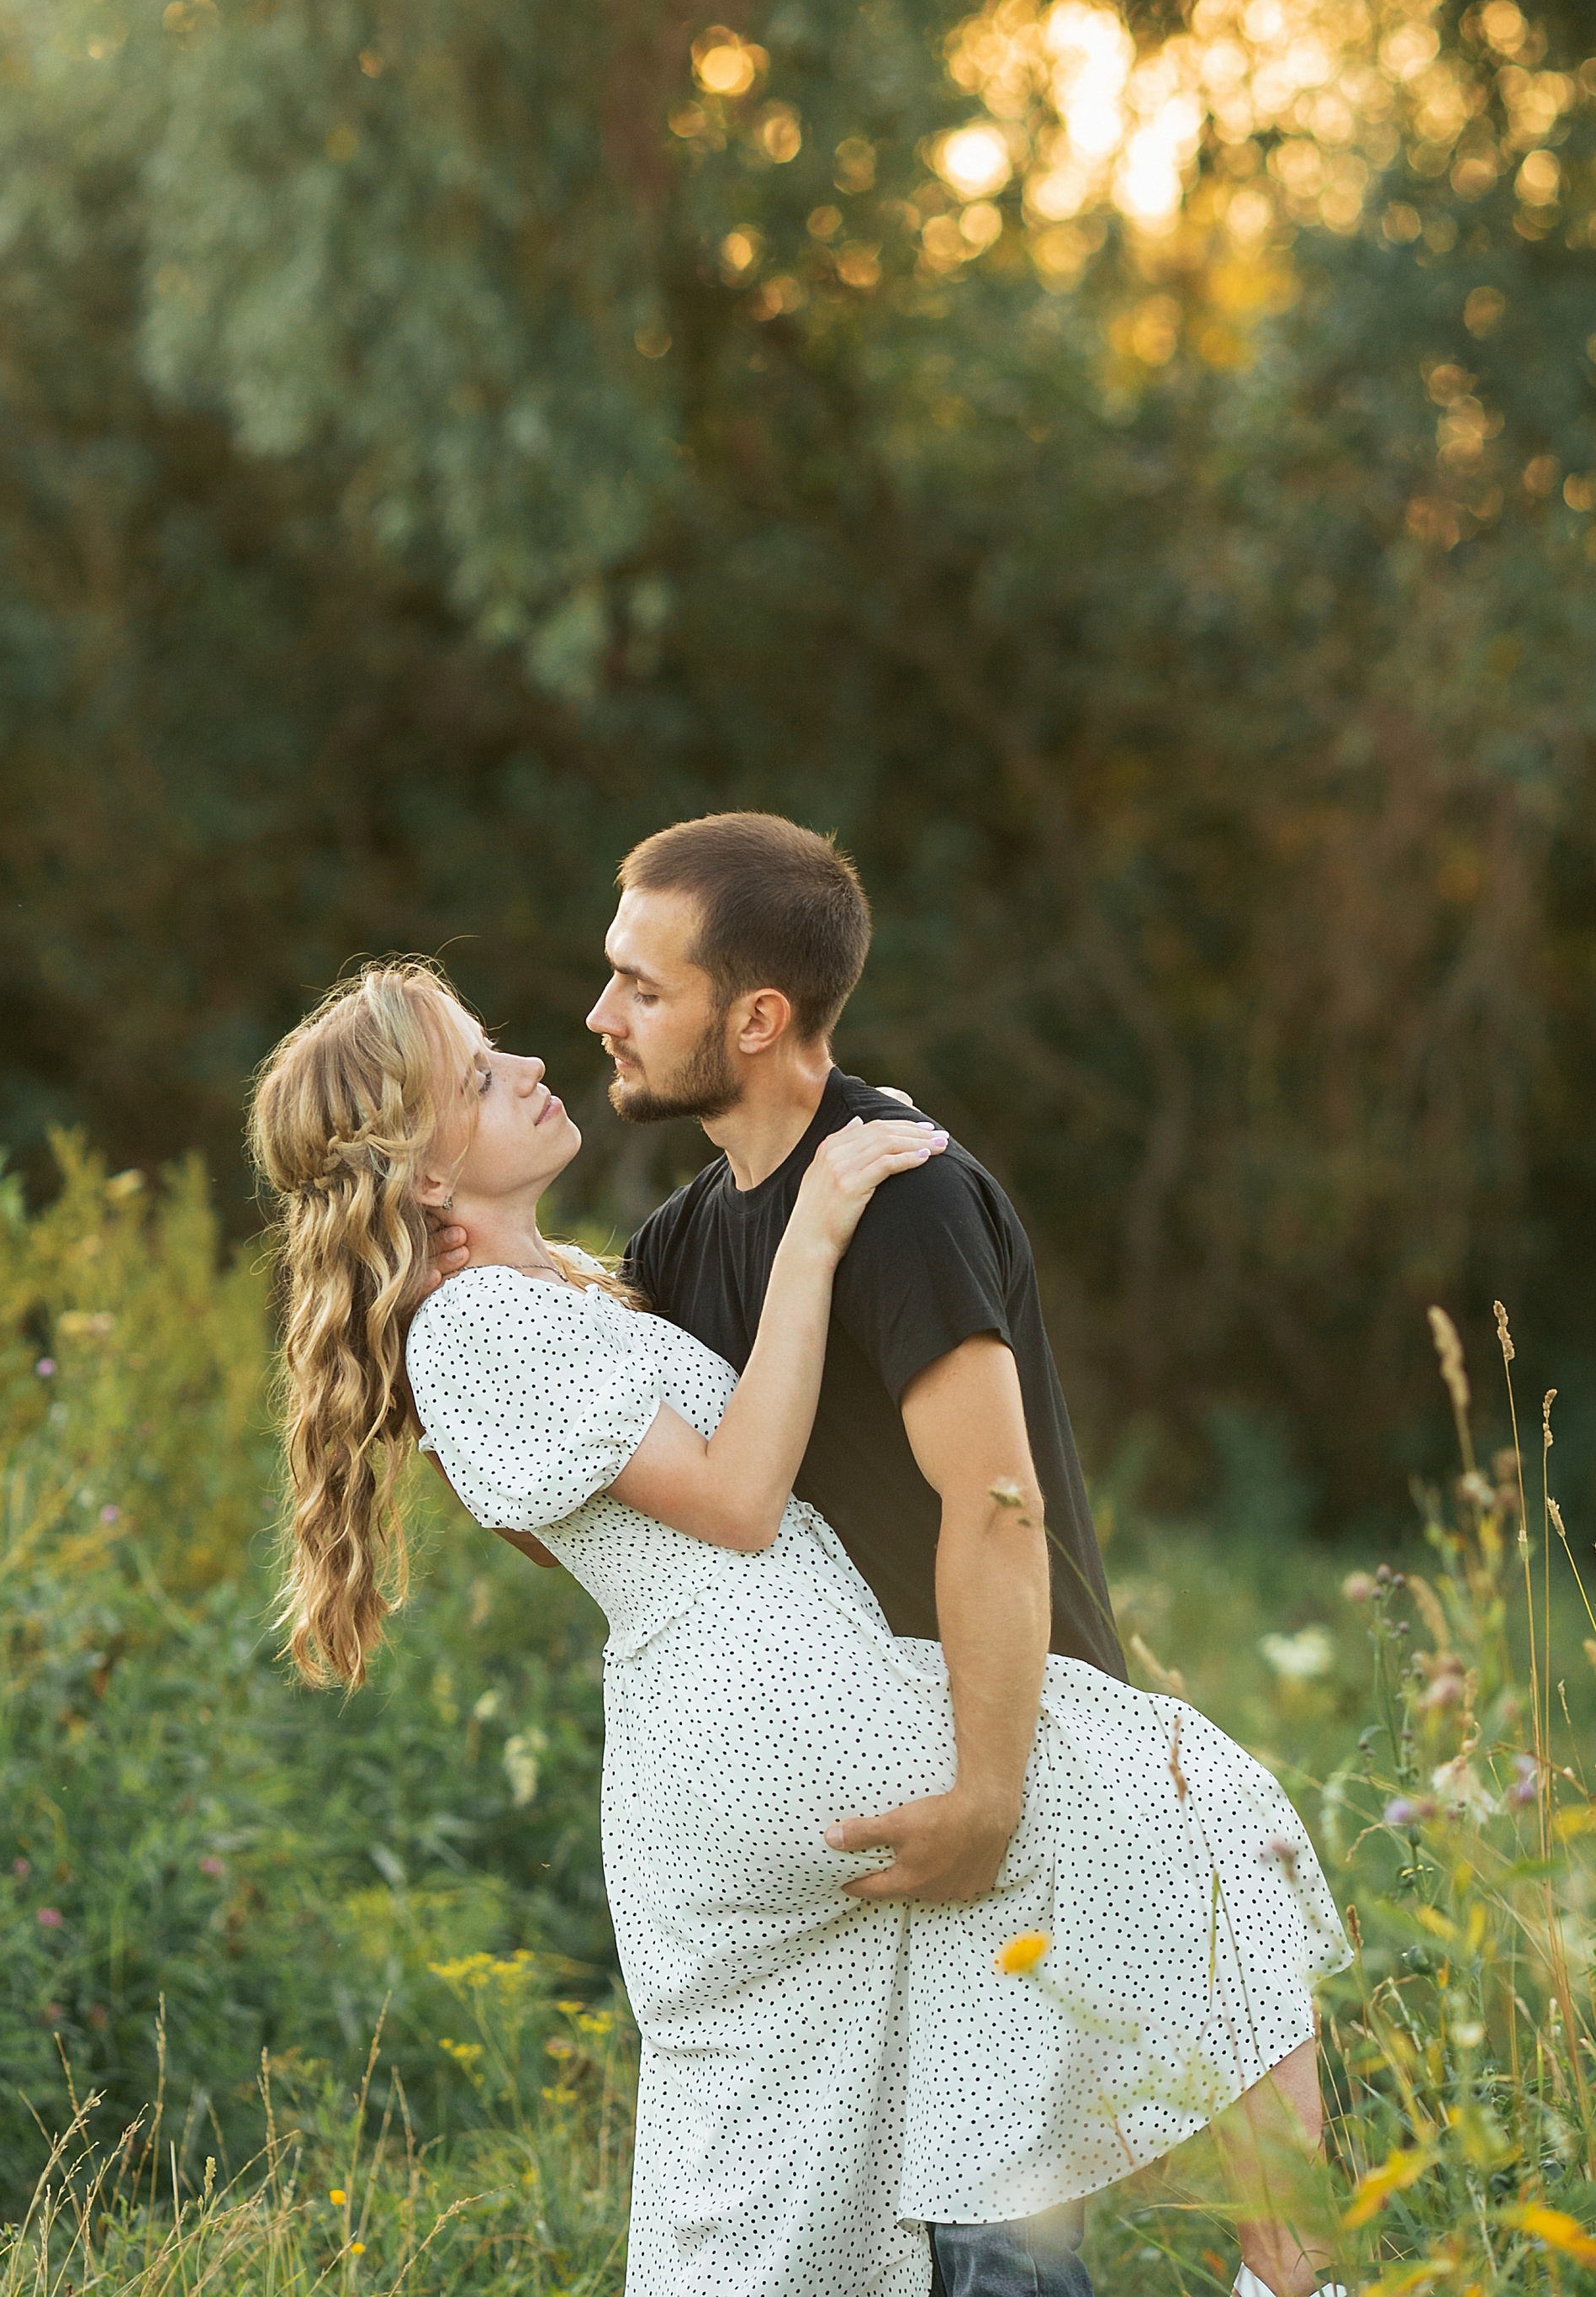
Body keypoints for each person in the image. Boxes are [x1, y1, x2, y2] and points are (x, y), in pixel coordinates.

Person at [256, 932, 1346, 2297]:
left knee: (823, 2121)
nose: (536, 1061)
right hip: (770, 1717)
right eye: (481, 1075)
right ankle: (1298, 2285)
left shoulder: (563, 1293)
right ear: (424, 1174)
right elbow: (739, 1498)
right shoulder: (471, 1326)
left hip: (750, 1732)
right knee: (1205, 1815)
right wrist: (821, 1228)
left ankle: (1051, 2266)